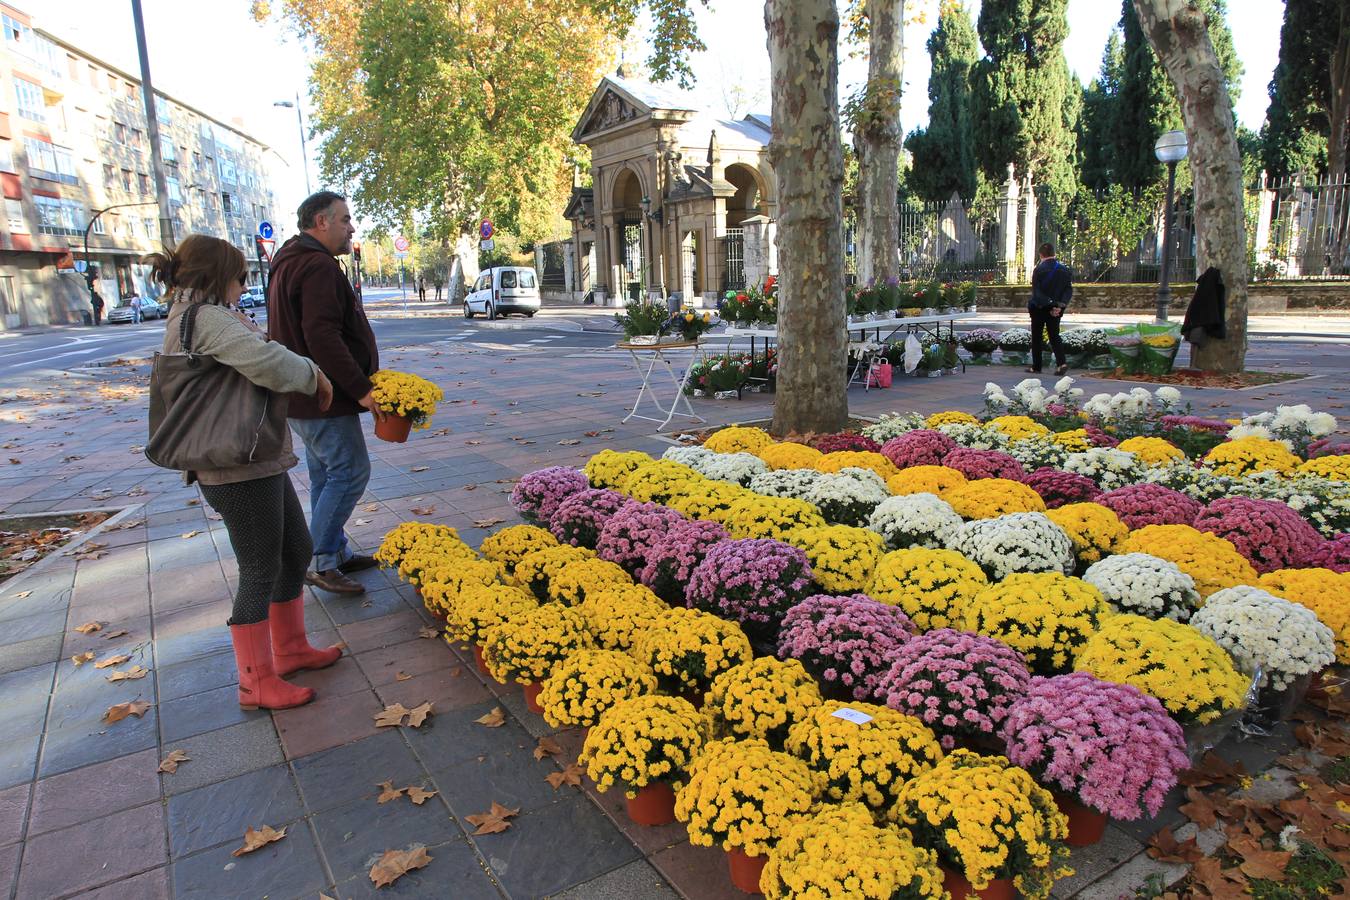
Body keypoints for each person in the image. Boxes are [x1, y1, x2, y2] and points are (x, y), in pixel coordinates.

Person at [148, 235, 338, 711]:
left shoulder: (206, 314)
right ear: (218, 275)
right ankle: (255, 681)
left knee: (295, 550)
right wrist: (314, 375)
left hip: (254, 457)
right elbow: (266, 363)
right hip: (233, 465)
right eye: (239, 276)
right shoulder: (205, 317)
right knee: (260, 567)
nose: (242, 284)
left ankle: (290, 649)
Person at [268, 190, 384, 595]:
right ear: (321, 222)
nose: (351, 227)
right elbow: (322, 335)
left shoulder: (287, 260)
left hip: (300, 393)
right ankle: (318, 559)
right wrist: (361, 389)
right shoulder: (316, 266)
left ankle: (332, 553)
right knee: (351, 471)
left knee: (326, 475)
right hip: (322, 396)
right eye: (345, 219)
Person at [1028, 242, 1071, 376]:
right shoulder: (1064, 269)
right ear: (1054, 254)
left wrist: (1049, 303)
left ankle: (1037, 366)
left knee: (1037, 336)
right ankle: (1061, 363)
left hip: (1040, 308)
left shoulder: (1039, 269)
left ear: (1041, 254)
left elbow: (1037, 291)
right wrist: (1059, 305)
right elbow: (1068, 290)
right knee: (1054, 335)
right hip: (1056, 309)